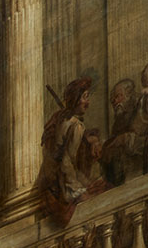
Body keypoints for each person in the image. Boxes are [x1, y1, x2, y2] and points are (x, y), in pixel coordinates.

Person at [37, 76, 103, 224]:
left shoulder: (60, 118)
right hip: (61, 184)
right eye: (85, 97)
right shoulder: (76, 126)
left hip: (50, 179)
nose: (88, 102)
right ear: (75, 99)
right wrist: (77, 191)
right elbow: (67, 161)